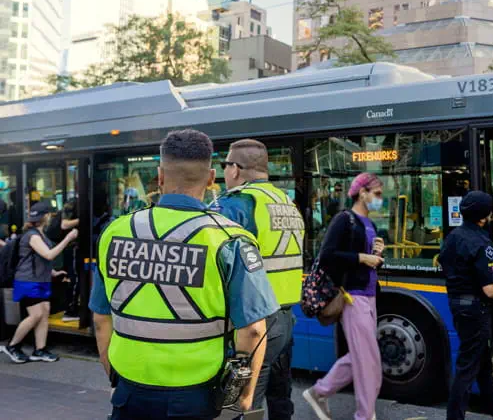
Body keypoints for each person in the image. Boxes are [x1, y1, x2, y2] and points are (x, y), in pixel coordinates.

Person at [89, 129, 279, 420]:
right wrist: (244, 395)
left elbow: (102, 320)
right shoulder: (229, 239)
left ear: (160, 176)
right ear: (211, 177)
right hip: (199, 397)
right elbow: (253, 330)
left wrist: (115, 376)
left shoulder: (115, 231)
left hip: (130, 393)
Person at [210, 139, 305, 419]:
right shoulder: (286, 202)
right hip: (286, 321)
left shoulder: (237, 204)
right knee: (280, 401)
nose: (225, 172)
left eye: (225, 165)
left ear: (236, 169)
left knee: (237, 406)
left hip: (254, 325)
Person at [303, 173, 385, 420]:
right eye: (377, 194)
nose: (380, 199)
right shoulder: (344, 219)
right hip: (352, 296)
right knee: (369, 363)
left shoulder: (370, 224)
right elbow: (327, 255)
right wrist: (361, 257)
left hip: (369, 295)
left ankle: (319, 392)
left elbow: (370, 264)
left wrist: (378, 256)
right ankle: (365, 416)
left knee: (363, 357)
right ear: (362, 193)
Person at [439, 190, 493, 420]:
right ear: (484, 217)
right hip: (476, 310)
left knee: (482, 362)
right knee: (467, 368)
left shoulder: (452, 237)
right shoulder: (481, 243)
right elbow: (492, 290)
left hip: (458, 306)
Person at [0, 201, 77, 364]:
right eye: (49, 214)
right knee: (36, 314)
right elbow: (48, 255)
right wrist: (68, 238)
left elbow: (40, 259)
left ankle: (39, 350)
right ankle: (13, 345)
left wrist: (53, 272)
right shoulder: (32, 236)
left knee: (44, 311)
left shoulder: (40, 234)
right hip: (28, 281)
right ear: (46, 217)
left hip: (40, 280)